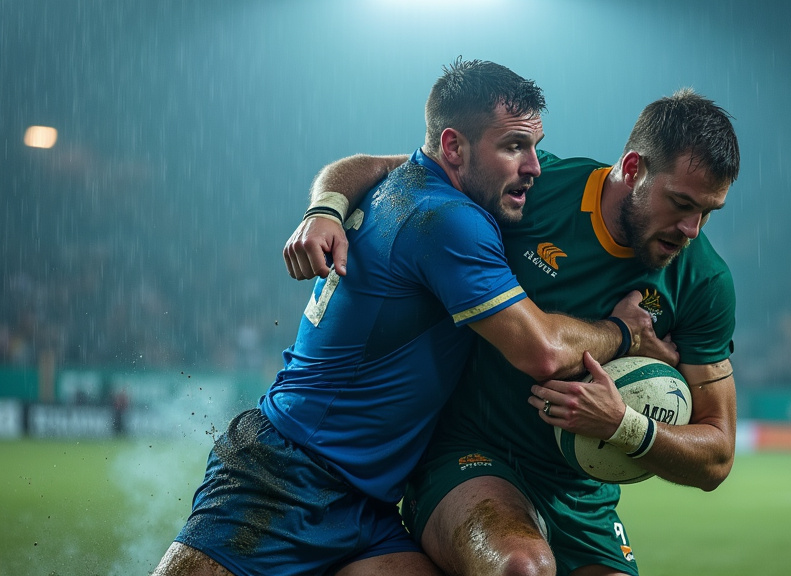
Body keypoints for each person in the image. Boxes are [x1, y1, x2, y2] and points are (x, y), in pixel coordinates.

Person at [154, 59, 673, 576]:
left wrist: (325, 207)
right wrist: (624, 331)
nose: (534, 166)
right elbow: (542, 352)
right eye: (514, 146)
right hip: (287, 475)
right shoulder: (448, 220)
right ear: (453, 147)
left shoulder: (410, 183)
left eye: (534, 145)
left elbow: (362, 162)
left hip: (364, 503)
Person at [284, 88, 740, 576]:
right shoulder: (539, 186)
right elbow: (389, 171)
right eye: (681, 203)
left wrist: (623, 425)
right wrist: (325, 208)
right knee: (522, 569)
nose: (692, 229)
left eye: (708, 212)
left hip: (582, 495)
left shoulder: (703, 281)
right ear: (632, 169)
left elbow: (716, 456)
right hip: (470, 454)